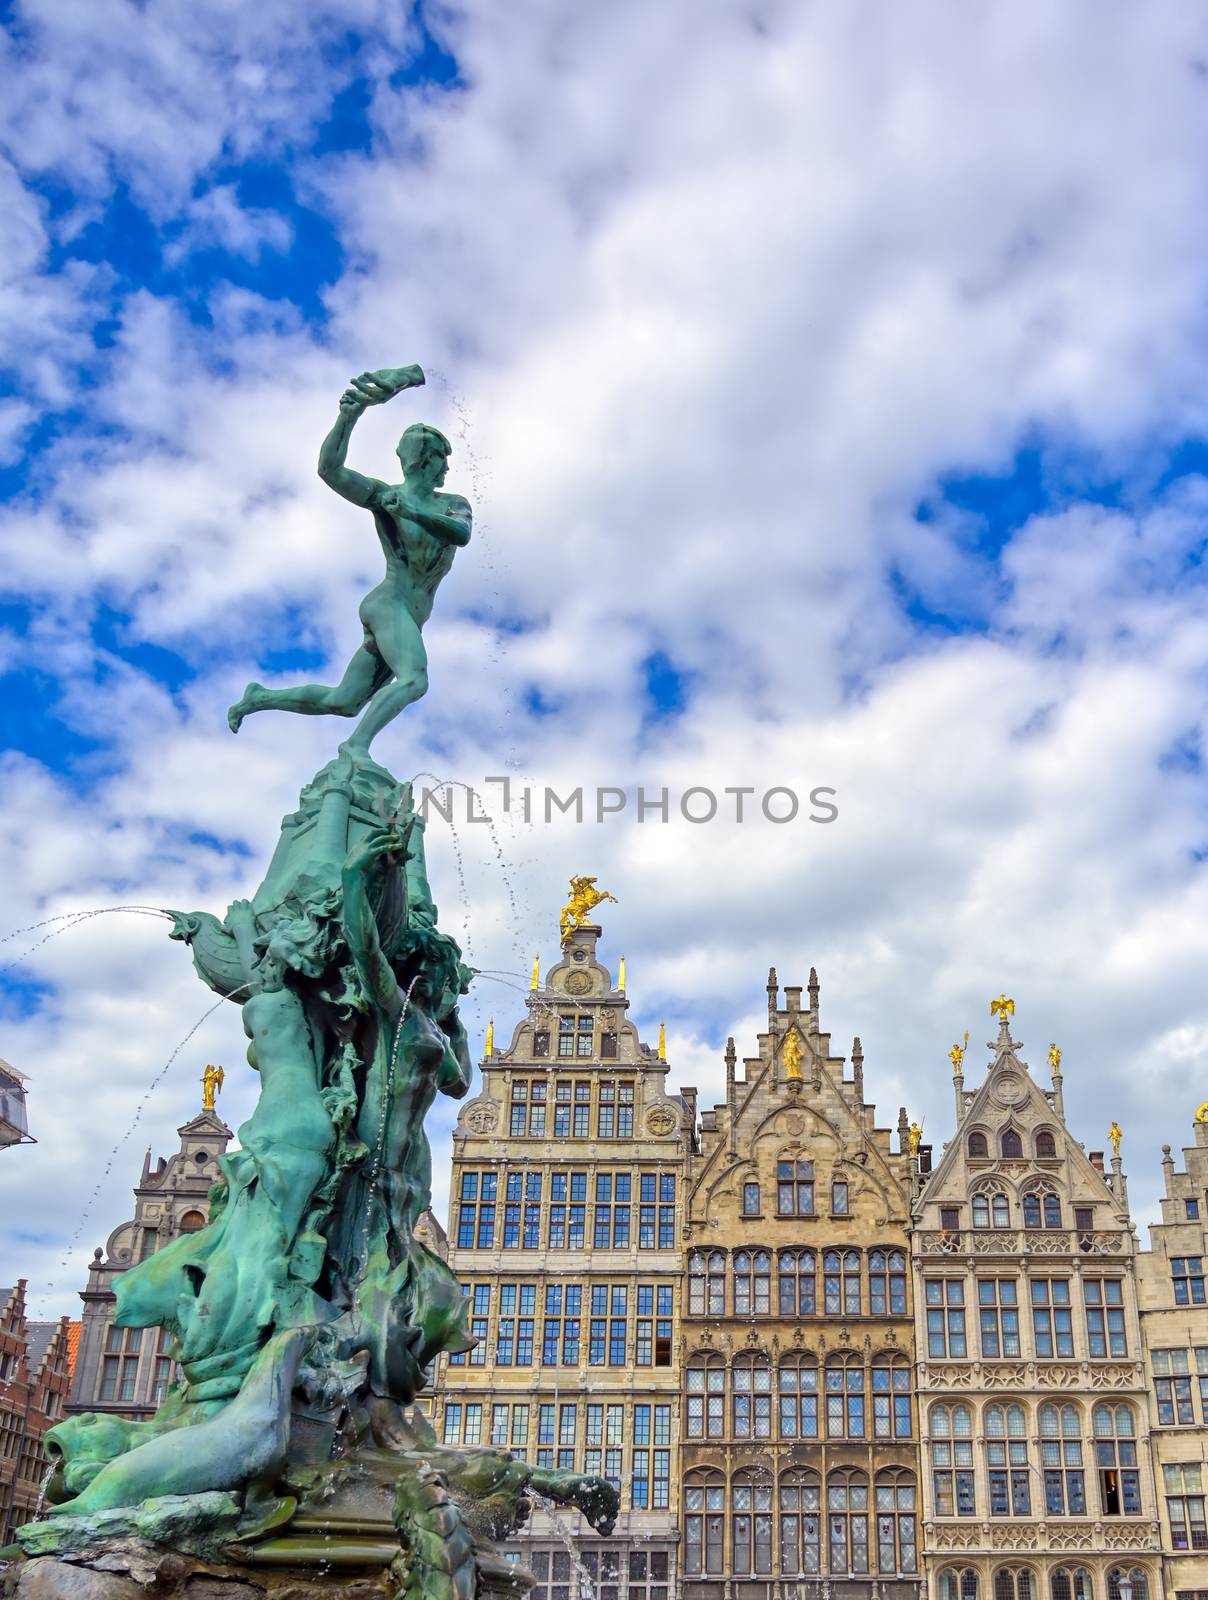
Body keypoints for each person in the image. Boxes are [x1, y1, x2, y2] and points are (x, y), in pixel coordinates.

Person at [227, 366, 472, 754]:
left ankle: (258, 698)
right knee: (414, 680)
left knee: (344, 701)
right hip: (389, 605)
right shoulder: (383, 496)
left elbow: (460, 534)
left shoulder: (451, 505)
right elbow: (330, 470)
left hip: (408, 616)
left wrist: (412, 512)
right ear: (426, 460)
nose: (446, 467)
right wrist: (350, 414)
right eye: (442, 458)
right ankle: (355, 748)